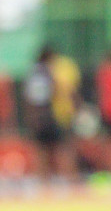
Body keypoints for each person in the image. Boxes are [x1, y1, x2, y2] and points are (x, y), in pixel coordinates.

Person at [24, 45, 76, 183]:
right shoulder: (48, 72)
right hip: (50, 116)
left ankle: (44, 183)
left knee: (42, 153)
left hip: (38, 118)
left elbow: (29, 98)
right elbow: (54, 92)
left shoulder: (33, 73)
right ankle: (68, 181)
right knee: (61, 150)